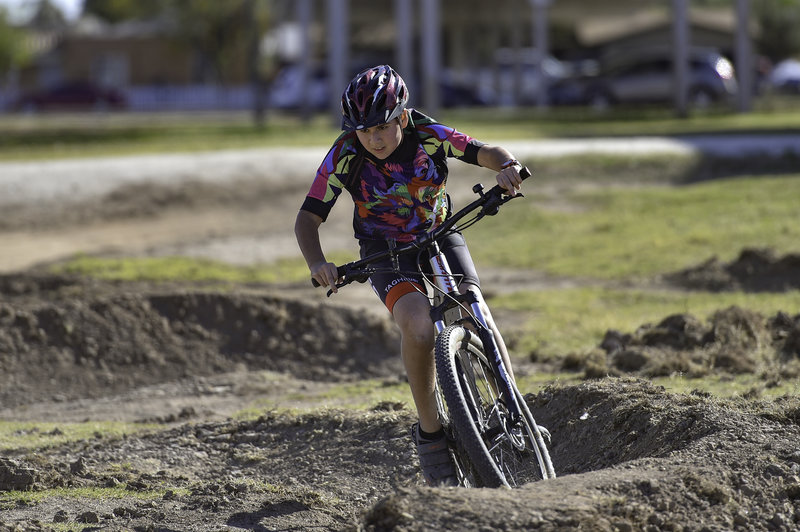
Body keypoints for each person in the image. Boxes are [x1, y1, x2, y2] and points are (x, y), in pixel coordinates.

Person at [294, 64, 526, 487]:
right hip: (384, 250)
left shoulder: (427, 133)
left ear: (402, 116)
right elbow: (307, 220)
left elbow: (480, 150)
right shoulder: (346, 153)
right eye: (364, 131)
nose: (374, 139)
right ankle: (431, 434)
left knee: (478, 312)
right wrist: (317, 264)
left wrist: (506, 166)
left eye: (382, 127)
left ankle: (512, 410)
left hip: (440, 232)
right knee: (418, 327)